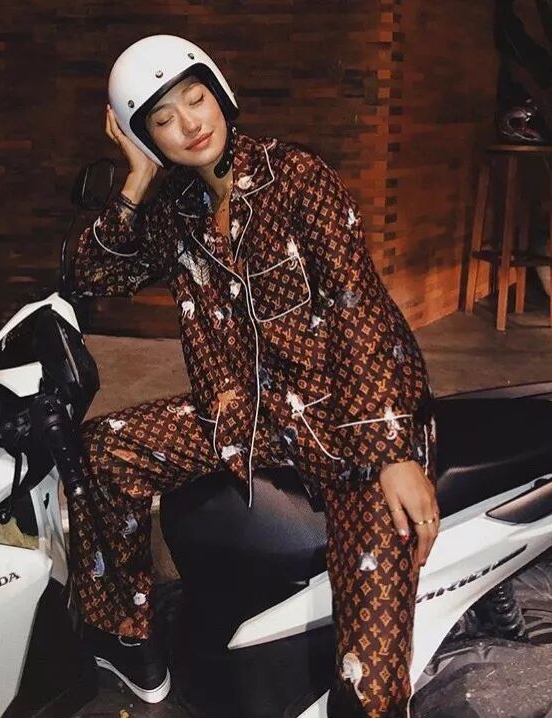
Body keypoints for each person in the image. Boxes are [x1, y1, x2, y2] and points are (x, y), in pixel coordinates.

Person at [69, 34, 440, 718]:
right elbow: (91, 275)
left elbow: (356, 309)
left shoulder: (296, 178)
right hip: (246, 418)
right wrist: (136, 178)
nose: (190, 124)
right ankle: (129, 642)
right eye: (162, 120)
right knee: (101, 452)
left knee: (367, 681)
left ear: (220, 93)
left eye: (196, 99)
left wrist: (391, 453)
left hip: (348, 420)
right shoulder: (175, 212)